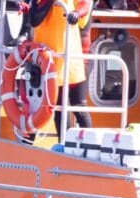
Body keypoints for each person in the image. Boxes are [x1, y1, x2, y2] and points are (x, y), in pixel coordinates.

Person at [29, 0, 92, 135]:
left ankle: (89, 143)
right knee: (58, 108)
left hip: (71, 60)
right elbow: (34, 19)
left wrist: (76, 13)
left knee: (79, 106)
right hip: (49, 62)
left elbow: (84, 6)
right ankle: (63, 144)